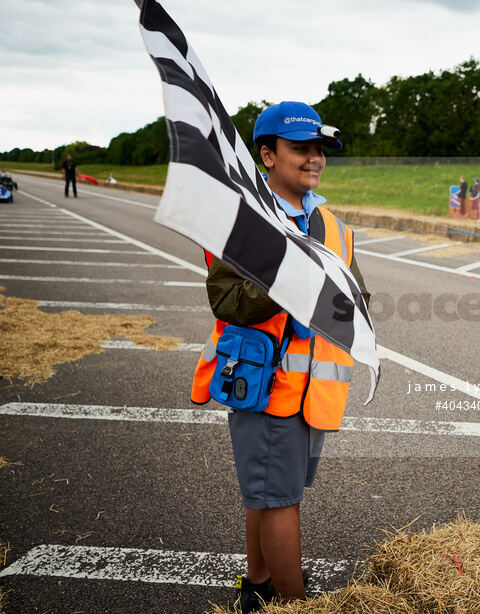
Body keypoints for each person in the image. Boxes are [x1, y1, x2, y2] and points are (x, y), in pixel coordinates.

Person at [191, 101, 368, 612]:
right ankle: (294, 604)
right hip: (265, 384)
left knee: (268, 493)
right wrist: (293, 276)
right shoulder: (245, 220)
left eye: (320, 149)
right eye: (299, 148)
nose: (313, 158)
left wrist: (344, 302)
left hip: (312, 389)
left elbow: (357, 299)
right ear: (266, 155)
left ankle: (258, 586)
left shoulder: (330, 223)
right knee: (278, 500)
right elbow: (228, 300)